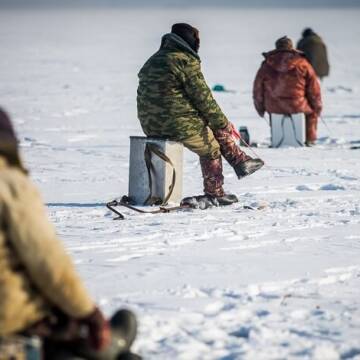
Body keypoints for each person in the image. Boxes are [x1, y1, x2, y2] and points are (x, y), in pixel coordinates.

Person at [0, 108, 140, 359]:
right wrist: (87, 313)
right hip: (11, 327)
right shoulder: (8, 183)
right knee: (80, 339)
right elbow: (46, 260)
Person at [137, 23, 264, 208]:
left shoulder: (153, 60)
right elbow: (204, 99)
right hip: (175, 123)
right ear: (191, 40)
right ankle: (216, 192)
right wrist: (224, 123)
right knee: (211, 147)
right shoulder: (184, 61)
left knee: (210, 125)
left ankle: (241, 161)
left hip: (150, 123)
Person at [253, 36, 322, 146]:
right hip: (298, 104)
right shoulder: (303, 64)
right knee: (311, 114)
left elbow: (258, 90)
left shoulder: (266, 65)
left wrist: (260, 108)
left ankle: (277, 140)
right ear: (291, 47)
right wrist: (317, 107)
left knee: (274, 111)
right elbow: (314, 89)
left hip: (274, 105)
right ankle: (309, 141)